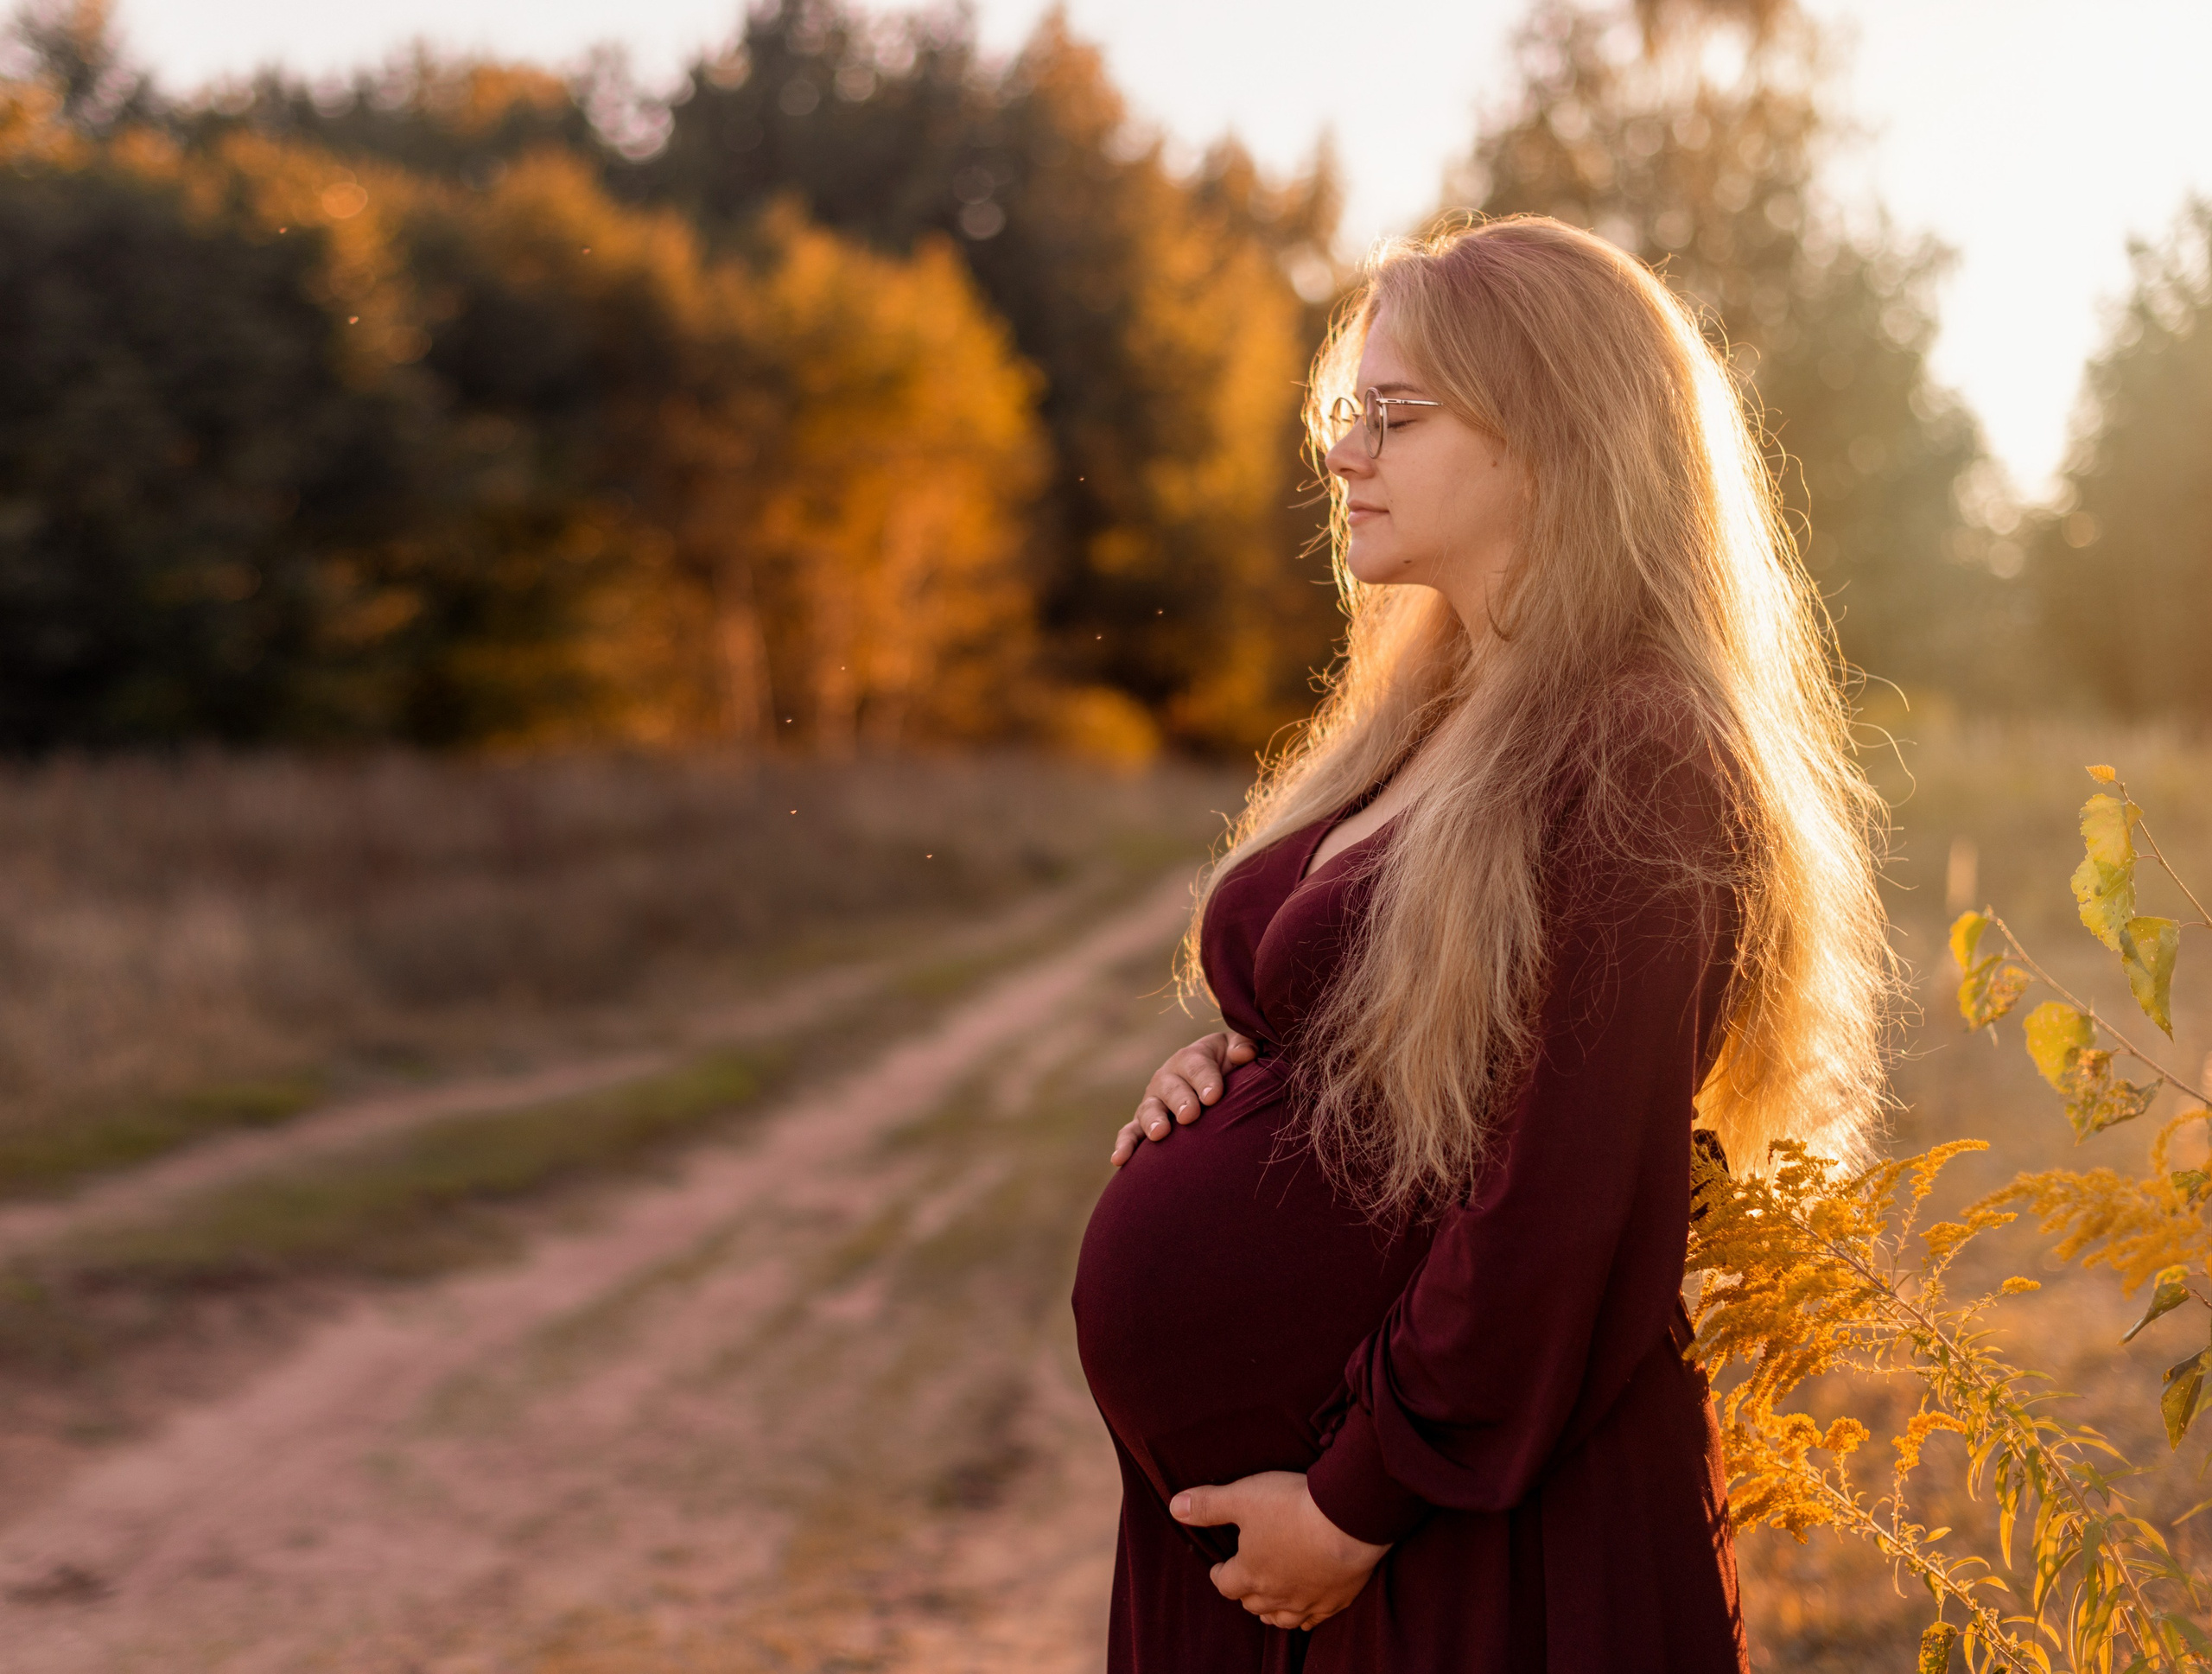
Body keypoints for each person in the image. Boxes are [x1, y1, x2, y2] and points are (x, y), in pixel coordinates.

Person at [1069, 216, 1895, 1672]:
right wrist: (1234, 1069)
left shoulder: (1640, 747)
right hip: (1294, 1542)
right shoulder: (1433, 710)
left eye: (1395, 416)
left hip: (1459, 1541)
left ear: (1553, 438)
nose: (1343, 456)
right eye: (1349, 413)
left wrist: (1354, 1501)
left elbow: (1563, 1201)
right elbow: (1382, 1033)